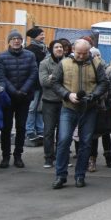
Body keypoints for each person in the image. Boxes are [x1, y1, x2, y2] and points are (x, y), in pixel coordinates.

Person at [50, 39, 109, 189]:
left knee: (85, 143)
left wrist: (94, 96)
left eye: (84, 53)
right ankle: (60, 175)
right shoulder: (64, 63)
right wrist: (67, 95)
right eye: (78, 53)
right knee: (63, 141)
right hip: (68, 107)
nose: (81, 56)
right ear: (72, 50)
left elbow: (104, 83)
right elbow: (55, 83)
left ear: (89, 51)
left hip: (89, 109)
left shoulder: (96, 63)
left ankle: (80, 175)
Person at [0, 29, 38, 168]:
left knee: (21, 127)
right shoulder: (1, 57)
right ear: (9, 41)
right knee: (6, 128)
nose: (16, 40)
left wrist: (23, 90)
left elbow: (33, 73)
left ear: (22, 41)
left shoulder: (30, 55)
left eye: (18, 38)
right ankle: (5, 156)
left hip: (24, 97)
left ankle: (18, 155)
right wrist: (13, 91)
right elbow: (1, 77)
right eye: (13, 38)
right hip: (8, 97)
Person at [37, 40, 67, 169]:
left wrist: (52, 77)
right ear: (51, 49)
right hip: (49, 102)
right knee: (48, 131)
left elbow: (70, 82)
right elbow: (44, 82)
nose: (59, 49)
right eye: (56, 47)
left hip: (65, 102)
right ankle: (49, 157)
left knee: (63, 132)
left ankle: (62, 157)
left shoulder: (68, 62)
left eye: (61, 47)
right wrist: (58, 78)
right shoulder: (44, 63)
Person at [24, 26, 47, 146]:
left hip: (42, 83)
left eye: (43, 34)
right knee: (32, 108)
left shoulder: (44, 48)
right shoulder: (30, 50)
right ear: (34, 37)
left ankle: (40, 129)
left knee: (39, 108)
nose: (43, 36)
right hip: (33, 84)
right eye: (41, 34)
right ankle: (29, 130)